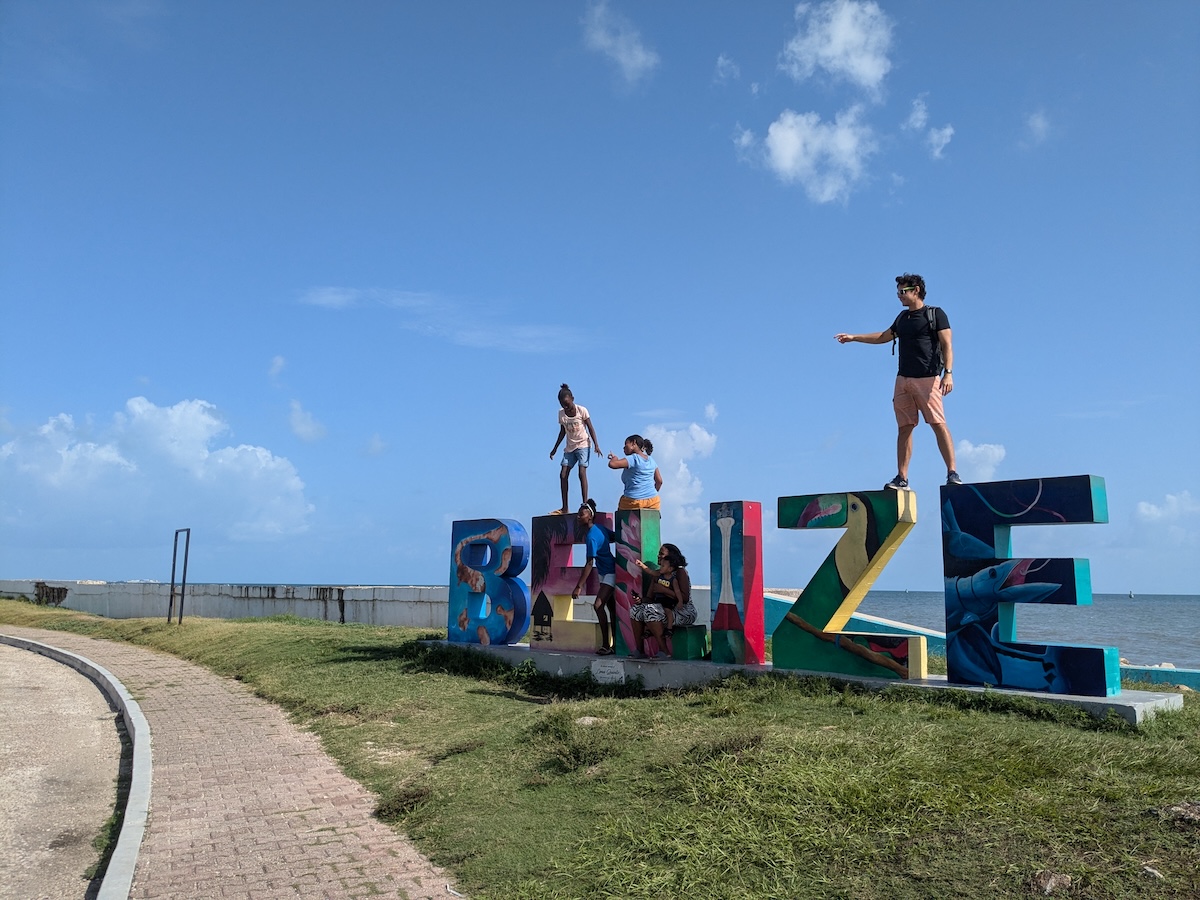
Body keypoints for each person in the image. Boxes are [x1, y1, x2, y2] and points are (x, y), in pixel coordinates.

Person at [835, 273, 962, 489]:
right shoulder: (902, 318)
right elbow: (885, 336)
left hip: (928, 379)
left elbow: (947, 344)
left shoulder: (935, 314)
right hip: (903, 380)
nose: (899, 296)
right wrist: (854, 337)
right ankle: (902, 478)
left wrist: (948, 373)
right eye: (898, 292)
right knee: (905, 427)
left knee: (938, 424)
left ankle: (952, 473)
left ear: (917, 290)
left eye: (903, 291)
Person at [571, 499, 618, 655]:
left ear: (590, 516)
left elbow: (590, 563)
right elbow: (613, 537)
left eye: (581, 514)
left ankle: (606, 644)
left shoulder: (591, 536)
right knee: (611, 608)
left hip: (609, 572)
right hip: (605, 572)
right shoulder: (599, 529)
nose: (578, 517)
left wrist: (578, 586)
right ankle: (616, 645)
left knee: (598, 605)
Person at [548, 384, 602, 514]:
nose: (565, 407)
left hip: (583, 444)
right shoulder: (561, 414)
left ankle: (585, 504)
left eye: (567, 403)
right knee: (563, 474)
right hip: (570, 447)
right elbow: (562, 432)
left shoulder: (581, 410)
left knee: (581, 472)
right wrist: (554, 448)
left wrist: (596, 445)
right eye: (562, 404)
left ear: (572, 398)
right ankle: (565, 507)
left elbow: (590, 427)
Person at [634, 543, 693, 635]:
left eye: (661, 554)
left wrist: (664, 590)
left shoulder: (679, 572)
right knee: (636, 610)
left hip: (682, 610)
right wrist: (640, 600)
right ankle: (639, 648)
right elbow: (650, 598)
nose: (658, 556)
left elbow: (685, 598)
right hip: (664, 607)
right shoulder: (658, 574)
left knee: (651, 611)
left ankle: (663, 647)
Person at [607, 434, 662, 510]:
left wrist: (615, 458)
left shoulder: (633, 458)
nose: (623, 447)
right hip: (653, 501)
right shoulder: (651, 460)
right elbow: (659, 481)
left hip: (633, 501)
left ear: (633, 443)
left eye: (626, 444)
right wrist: (649, 495)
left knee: (622, 513)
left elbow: (612, 464)